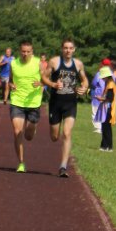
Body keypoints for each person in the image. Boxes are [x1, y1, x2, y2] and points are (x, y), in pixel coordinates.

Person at [43, 38, 89, 177]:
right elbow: (43, 77)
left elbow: (84, 79)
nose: (68, 50)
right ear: (62, 49)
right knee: (54, 137)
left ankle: (63, 166)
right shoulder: (54, 62)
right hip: (55, 104)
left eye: (71, 48)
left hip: (70, 104)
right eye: (66, 48)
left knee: (67, 133)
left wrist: (84, 87)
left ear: (74, 50)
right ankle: (54, 131)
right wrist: (53, 85)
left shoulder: (78, 64)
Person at [8, 38, 43, 172]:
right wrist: (11, 85)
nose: (25, 54)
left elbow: (46, 80)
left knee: (28, 136)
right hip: (17, 101)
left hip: (34, 102)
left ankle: (33, 127)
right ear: (19, 51)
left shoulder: (38, 63)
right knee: (17, 131)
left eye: (28, 51)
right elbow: (10, 80)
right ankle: (21, 163)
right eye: (23, 51)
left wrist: (41, 84)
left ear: (32, 51)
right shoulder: (14, 64)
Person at [92, 56, 116, 153]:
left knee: (106, 128)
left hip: (108, 108)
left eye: (103, 77)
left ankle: (107, 146)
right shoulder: (109, 83)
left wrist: (101, 98)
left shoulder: (111, 84)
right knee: (105, 127)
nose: (102, 79)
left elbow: (110, 98)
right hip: (107, 107)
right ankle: (105, 146)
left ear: (106, 76)